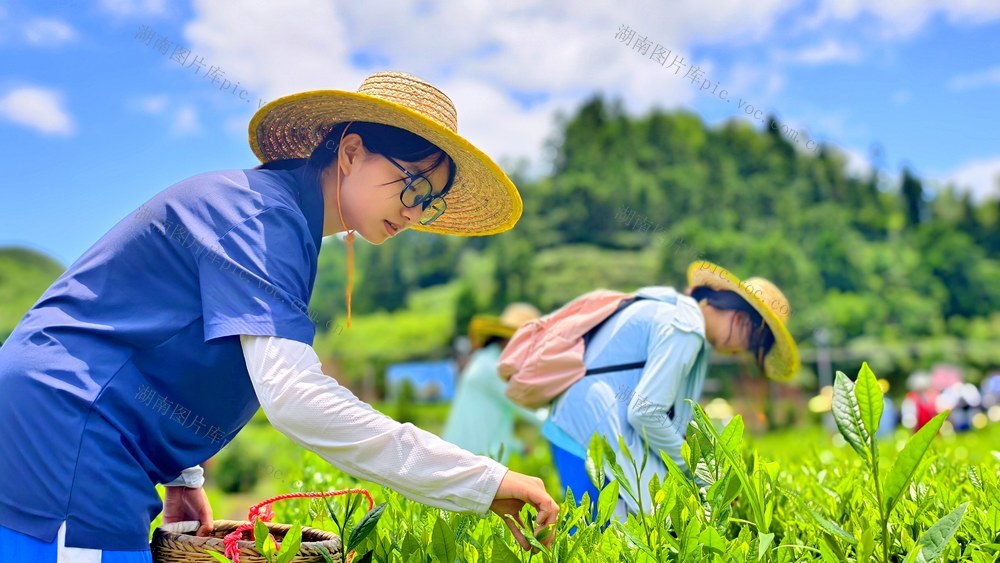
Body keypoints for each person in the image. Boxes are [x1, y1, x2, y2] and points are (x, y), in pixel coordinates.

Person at [0, 71, 557, 561]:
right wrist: (486, 481)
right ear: (352, 151)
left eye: (429, 200)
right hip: (69, 428)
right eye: (412, 183)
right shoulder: (264, 216)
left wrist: (182, 475)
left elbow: (154, 334)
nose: (414, 211)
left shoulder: (277, 217)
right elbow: (295, 399)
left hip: (75, 430)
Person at [541, 261, 799, 518]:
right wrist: (703, 476)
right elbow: (645, 412)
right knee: (599, 546)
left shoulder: (673, 310)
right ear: (740, 318)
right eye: (751, 340)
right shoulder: (685, 329)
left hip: (576, 426)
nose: (740, 350)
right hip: (588, 436)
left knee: (593, 542)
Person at [443, 303, 546, 462]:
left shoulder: (485, 362)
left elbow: (491, 422)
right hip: (470, 463)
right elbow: (527, 407)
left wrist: (517, 446)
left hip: (468, 459)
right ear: (509, 340)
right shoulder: (491, 368)